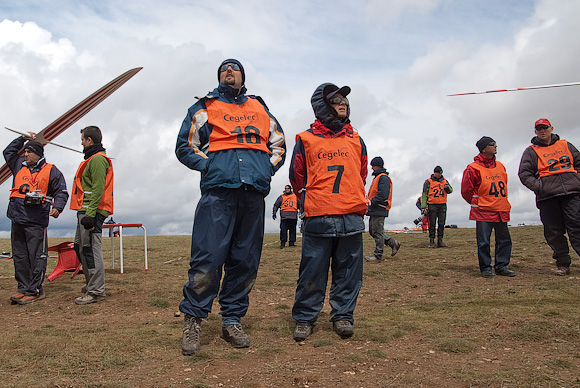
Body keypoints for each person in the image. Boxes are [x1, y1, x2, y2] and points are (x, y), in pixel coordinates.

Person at [176, 59, 286, 355]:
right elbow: (186, 146)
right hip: (217, 195)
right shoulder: (204, 107)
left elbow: (279, 146)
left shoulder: (260, 109)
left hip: (253, 195)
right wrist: (209, 166)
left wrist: (266, 169)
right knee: (207, 259)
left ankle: (232, 319)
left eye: (234, 68)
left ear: (242, 76)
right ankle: (194, 320)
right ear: (219, 77)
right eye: (225, 68)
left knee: (245, 261)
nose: (229, 71)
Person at [290, 83, 368, 342]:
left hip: (351, 216)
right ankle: (304, 318)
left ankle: (343, 315)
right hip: (318, 216)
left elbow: (362, 173)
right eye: (335, 99)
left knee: (349, 271)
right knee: (312, 270)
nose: (343, 102)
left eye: (344, 99)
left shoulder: (356, 139)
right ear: (322, 106)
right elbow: (297, 177)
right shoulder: (305, 139)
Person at [3, 134, 68, 304]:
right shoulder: (18, 165)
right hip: (17, 218)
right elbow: (8, 151)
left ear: (38, 154)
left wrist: (57, 208)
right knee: (20, 256)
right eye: (24, 152)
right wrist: (22, 138)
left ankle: (35, 290)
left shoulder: (51, 170)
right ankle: (23, 288)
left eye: (29, 152)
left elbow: (61, 192)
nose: (25, 155)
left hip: (36, 220)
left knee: (36, 256)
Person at [518, 118, 580, 276]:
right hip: (547, 197)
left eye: (545, 128)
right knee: (553, 232)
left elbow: (579, 163)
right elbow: (524, 174)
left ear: (551, 128)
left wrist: (577, 180)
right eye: (539, 129)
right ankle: (563, 264)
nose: (542, 131)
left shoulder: (566, 145)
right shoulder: (531, 151)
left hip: (572, 194)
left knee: (577, 227)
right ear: (535, 131)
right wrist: (540, 187)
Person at [70, 126, 113, 305]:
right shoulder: (92, 160)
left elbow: (97, 188)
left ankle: (96, 290)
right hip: (85, 210)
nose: (81, 143)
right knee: (80, 247)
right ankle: (91, 284)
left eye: (82, 139)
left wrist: (90, 214)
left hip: (91, 211)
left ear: (89, 140)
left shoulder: (97, 160)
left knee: (90, 249)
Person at [461, 137, 515, 278]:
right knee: (484, 242)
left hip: (500, 209)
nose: (495, 146)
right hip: (483, 211)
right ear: (484, 148)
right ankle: (485, 268)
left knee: (504, 240)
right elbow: (466, 190)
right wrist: (478, 203)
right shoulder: (473, 168)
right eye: (492, 144)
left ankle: (501, 266)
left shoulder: (501, 166)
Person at [364, 156, 401, 262]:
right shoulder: (378, 177)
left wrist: (372, 201)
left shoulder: (383, 178)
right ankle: (393, 243)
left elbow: (383, 194)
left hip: (379, 207)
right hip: (375, 208)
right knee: (373, 231)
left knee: (377, 232)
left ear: (377, 166)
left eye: (373, 166)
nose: (371, 168)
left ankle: (378, 255)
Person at [421, 166, 453, 248]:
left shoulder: (445, 181)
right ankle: (431, 241)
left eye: (441, 173)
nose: (440, 174)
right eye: (438, 173)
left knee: (441, 223)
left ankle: (440, 240)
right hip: (432, 205)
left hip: (442, 205)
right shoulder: (428, 182)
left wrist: (447, 188)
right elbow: (424, 194)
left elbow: (451, 190)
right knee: (432, 223)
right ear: (434, 173)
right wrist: (423, 206)